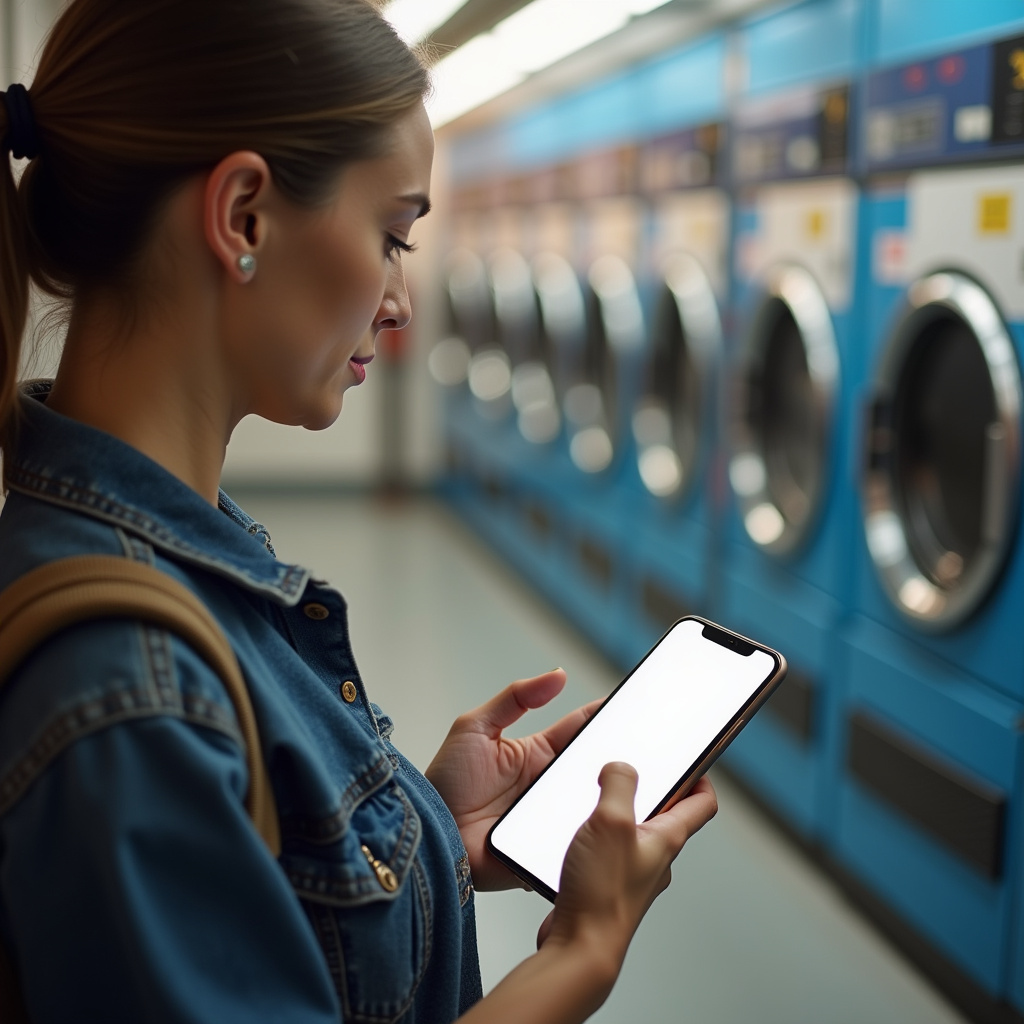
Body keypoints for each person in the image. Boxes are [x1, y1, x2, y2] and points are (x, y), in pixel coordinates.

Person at [0, 1, 718, 1021]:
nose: (398, 300)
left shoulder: (164, 560)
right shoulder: (130, 680)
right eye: (391, 236)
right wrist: (582, 952)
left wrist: (417, 833)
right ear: (244, 214)